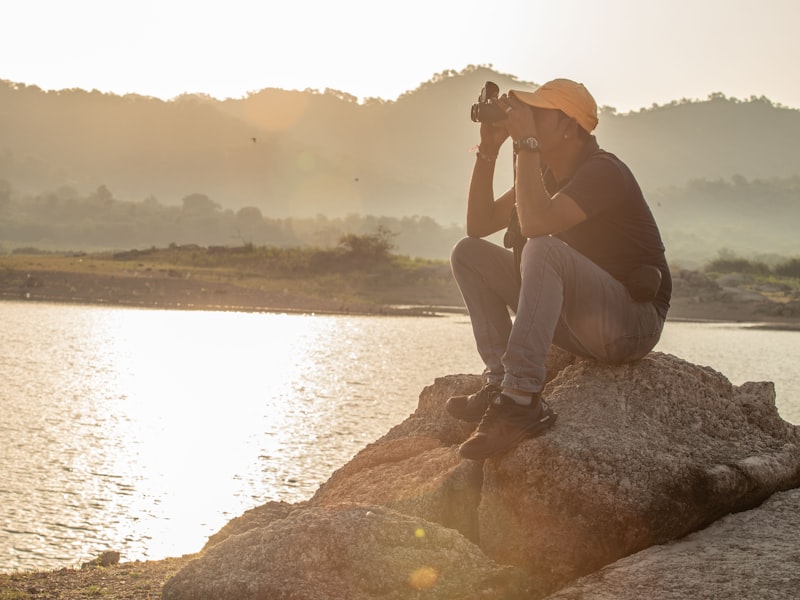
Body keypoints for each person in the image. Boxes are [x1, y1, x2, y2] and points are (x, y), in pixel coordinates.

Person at [448, 78, 671, 460]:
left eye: (537, 113)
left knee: (543, 248)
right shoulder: (546, 175)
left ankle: (521, 400)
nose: (526, 120)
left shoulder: (604, 172)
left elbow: (537, 226)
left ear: (569, 125)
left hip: (632, 324)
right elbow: (480, 223)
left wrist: (525, 144)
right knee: (468, 253)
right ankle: (501, 381)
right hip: (581, 322)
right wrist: (488, 150)